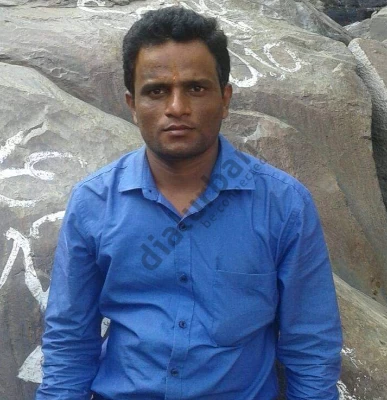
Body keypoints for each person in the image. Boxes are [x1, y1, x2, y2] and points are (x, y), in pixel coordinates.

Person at [36, 6, 342, 400]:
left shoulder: (283, 205)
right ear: (132, 104)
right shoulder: (94, 203)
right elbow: (69, 341)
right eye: (156, 91)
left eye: (196, 88)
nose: (177, 108)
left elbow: (311, 345)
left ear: (225, 99)